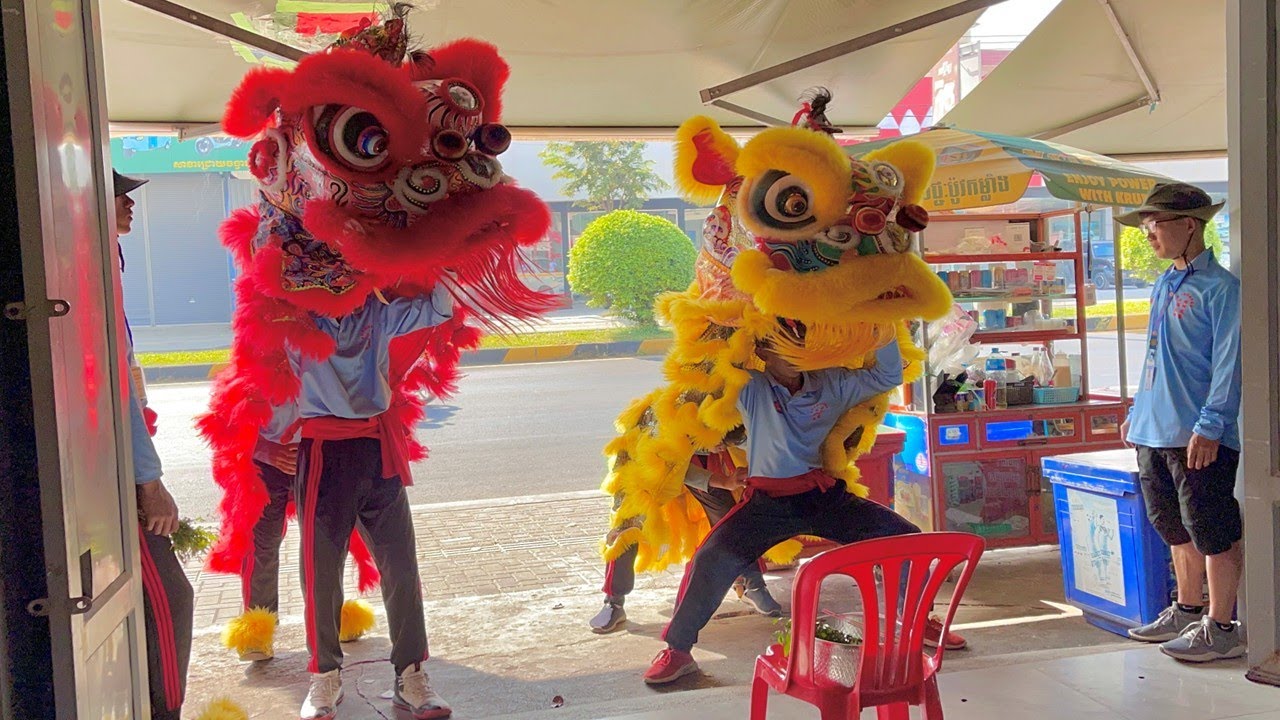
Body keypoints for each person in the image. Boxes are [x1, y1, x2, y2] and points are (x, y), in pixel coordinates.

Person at [643, 336, 926, 685]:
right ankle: (678, 650)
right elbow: (709, 372)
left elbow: (887, 376)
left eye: (801, 342)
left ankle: (917, 621)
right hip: (766, 502)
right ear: (762, 353)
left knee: (908, 540)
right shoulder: (752, 386)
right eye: (781, 344)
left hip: (822, 496)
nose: (793, 352)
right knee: (710, 558)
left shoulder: (832, 383)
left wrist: (883, 327)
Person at [291, 286, 456, 720]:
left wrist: (439, 252)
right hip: (324, 450)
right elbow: (262, 372)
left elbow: (438, 307)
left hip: (375, 445)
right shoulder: (293, 318)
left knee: (401, 566)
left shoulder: (376, 314)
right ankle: (324, 676)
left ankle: (411, 674)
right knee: (320, 572)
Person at [1117, 182, 1244, 662]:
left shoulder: (1222, 290)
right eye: (1146, 226)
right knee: (1172, 524)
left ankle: (1222, 625)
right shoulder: (1164, 283)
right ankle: (1188, 608)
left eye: (1155, 225)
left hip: (1198, 434)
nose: (1148, 234)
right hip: (1153, 428)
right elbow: (1154, 356)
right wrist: (1136, 411)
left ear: (1189, 225)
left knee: (1211, 526)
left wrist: (1212, 424)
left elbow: (1230, 363)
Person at [114, 171, 194, 719]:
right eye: (119, 195)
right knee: (169, 602)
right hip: (117, 474)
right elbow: (115, 386)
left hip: (118, 463)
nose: (130, 204)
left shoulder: (104, 270)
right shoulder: (90, 275)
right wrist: (150, 481)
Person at [590, 451, 782, 635]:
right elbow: (670, 458)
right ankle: (614, 601)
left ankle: (753, 584)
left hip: (698, 459)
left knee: (730, 516)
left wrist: (722, 440)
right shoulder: (648, 421)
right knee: (625, 525)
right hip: (649, 466)